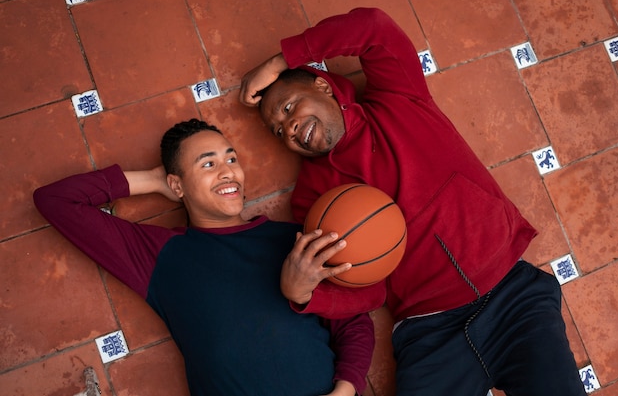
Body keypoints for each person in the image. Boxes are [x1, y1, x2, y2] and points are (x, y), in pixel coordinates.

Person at [239, 7, 586, 396]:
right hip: (431, 334)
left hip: (513, 299)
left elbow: (374, 27)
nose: (289, 129)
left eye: (288, 109)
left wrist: (282, 59)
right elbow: (369, 288)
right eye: (279, 130)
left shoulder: (398, 98)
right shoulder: (313, 199)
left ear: (322, 86)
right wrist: (304, 294)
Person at [33, 119, 374, 396]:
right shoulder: (159, 254)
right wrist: (153, 180)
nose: (228, 172)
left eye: (231, 159)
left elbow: (354, 321)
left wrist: (344, 392)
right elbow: (55, 201)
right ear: (177, 185)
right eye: (208, 164)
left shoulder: (292, 239)